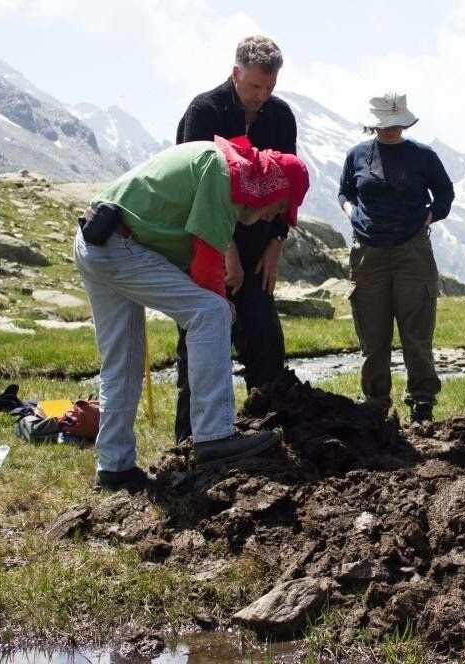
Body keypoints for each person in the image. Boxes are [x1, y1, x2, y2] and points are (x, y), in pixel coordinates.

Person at [74, 136, 309, 492]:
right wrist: (219, 303)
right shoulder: (223, 172)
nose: (272, 216)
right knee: (212, 312)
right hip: (116, 244)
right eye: (279, 207)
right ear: (272, 185)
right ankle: (214, 436)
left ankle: (115, 467)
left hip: (99, 241)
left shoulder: (227, 166)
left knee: (124, 360)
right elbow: (206, 259)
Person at [173, 35, 298, 443]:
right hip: (206, 243)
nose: (261, 96)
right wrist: (226, 252)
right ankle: (190, 440)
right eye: (253, 87)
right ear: (235, 74)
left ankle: (269, 429)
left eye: (269, 88)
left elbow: (287, 185)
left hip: (259, 243)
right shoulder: (204, 111)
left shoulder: (280, 117)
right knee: (202, 341)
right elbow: (197, 190)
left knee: (264, 338)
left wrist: (275, 243)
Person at [338, 92, 455, 423]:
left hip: (412, 251)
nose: (390, 131)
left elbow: (445, 194)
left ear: (404, 121)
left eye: (395, 125)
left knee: (416, 334)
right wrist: (351, 213)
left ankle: (422, 405)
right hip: (367, 252)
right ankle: (376, 407)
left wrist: (427, 219)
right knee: (373, 338)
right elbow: (344, 191)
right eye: (383, 125)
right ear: (373, 124)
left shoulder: (423, 156)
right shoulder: (357, 155)